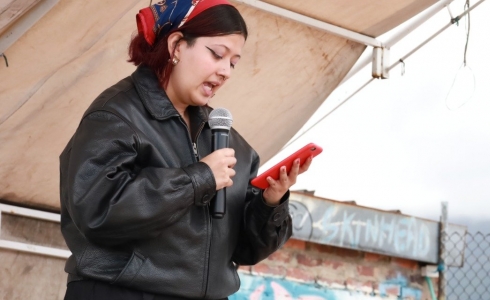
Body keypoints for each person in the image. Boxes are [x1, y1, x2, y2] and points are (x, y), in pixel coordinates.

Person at [59, 1, 311, 299]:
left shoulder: (234, 146)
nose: (225, 71)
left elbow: (246, 250)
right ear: (177, 45)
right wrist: (198, 179)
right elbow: (98, 212)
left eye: (233, 63)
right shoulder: (116, 116)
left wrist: (269, 204)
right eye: (217, 54)